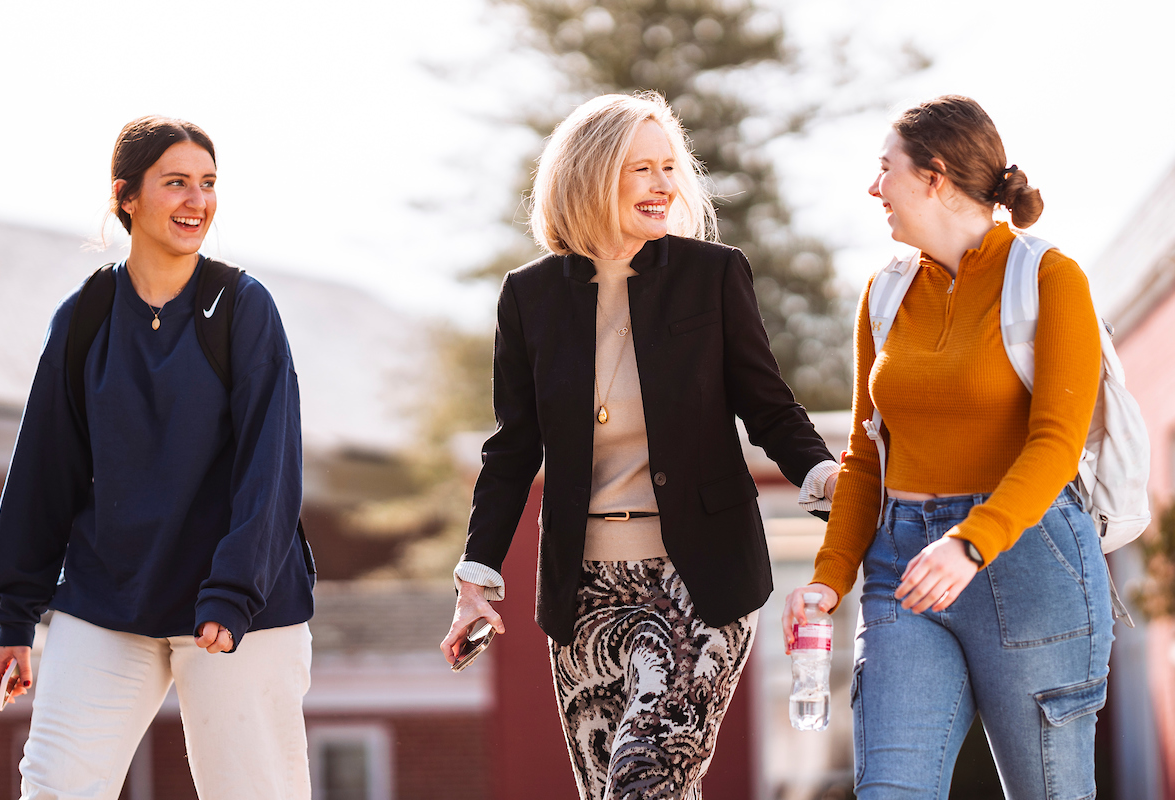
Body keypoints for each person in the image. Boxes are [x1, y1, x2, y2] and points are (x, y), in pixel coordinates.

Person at [440, 92, 838, 800]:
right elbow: (512, 449)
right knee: (618, 791)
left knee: (642, 781)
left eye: (669, 168)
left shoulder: (712, 274)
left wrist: (823, 474)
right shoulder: (529, 296)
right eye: (641, 169)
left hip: (698, 580)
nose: (665, 186)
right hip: (585, 594)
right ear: (591, 176)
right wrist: (477, 577)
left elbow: (768, 406)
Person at [782, 95, 1112, 799]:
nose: (874, 187)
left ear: (933, 177)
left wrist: (969, 543)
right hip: (903, 563)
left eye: (886, 169)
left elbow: (1057, 443)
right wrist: (828, 578)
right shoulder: (886, 293)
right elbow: (866, 457)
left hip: (1027, 557)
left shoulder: (1049, 278)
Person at [0, 116, 316, 800]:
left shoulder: (242, 307)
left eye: (208, 183)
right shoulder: (84, 316)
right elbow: (44, 468)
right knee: (54, 787)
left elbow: (272, 468)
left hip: (236, 605)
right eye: (176, 183)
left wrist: (233, 590)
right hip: (109, 596)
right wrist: (16, 615)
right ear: (127, 196)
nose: (197, 201)